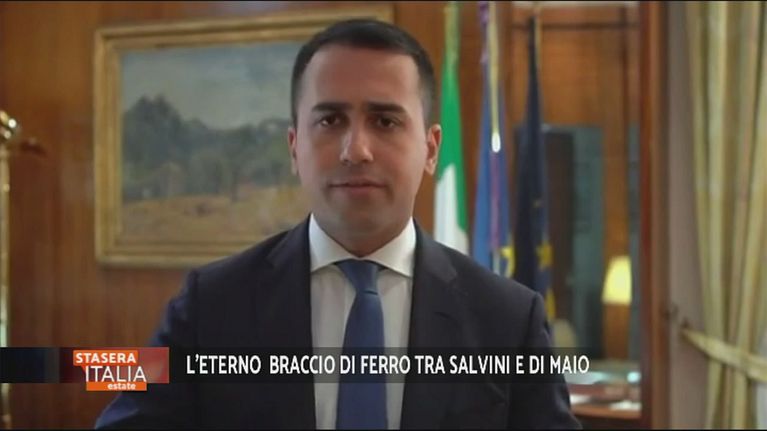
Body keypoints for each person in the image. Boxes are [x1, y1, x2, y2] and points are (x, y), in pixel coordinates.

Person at [95, 18, 580, 430]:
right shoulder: (209, 305)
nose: (356, 150)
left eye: (385, 121)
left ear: (431, 149)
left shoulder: (508, 320)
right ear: (294, 148)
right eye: (330, 121)